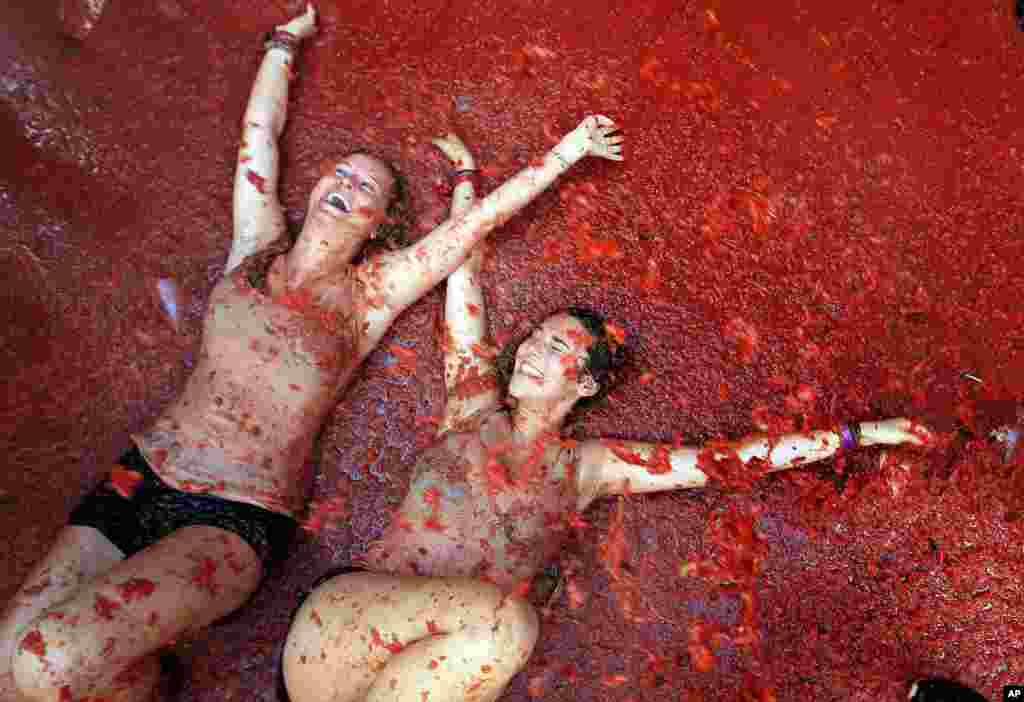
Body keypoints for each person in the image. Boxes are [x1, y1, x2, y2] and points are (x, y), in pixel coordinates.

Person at [1, 5, 625, 700]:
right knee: (7, 665)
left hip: (231, 518)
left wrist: (567, 153)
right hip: (140, 473)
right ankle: (134, 677)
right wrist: (283, 42)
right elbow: (258, 136)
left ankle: (134, 675)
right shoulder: (254, 246)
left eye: (367, 191)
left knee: (46, 662)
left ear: (376, 225)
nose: (346, 188)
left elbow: (475, 227)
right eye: (341, 175)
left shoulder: (369, 295)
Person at [281, 134, 932, 702]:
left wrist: (859, 435)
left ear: (585, 384)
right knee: (509, 626)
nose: (536, 350)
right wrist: (465, 182)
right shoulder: (471, 403)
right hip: (340, 643)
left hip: (426, 681)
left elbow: (721, 462)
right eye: (536, 339)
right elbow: (463, 284)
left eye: (559, 349)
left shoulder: (590, 469)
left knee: (504, 635)